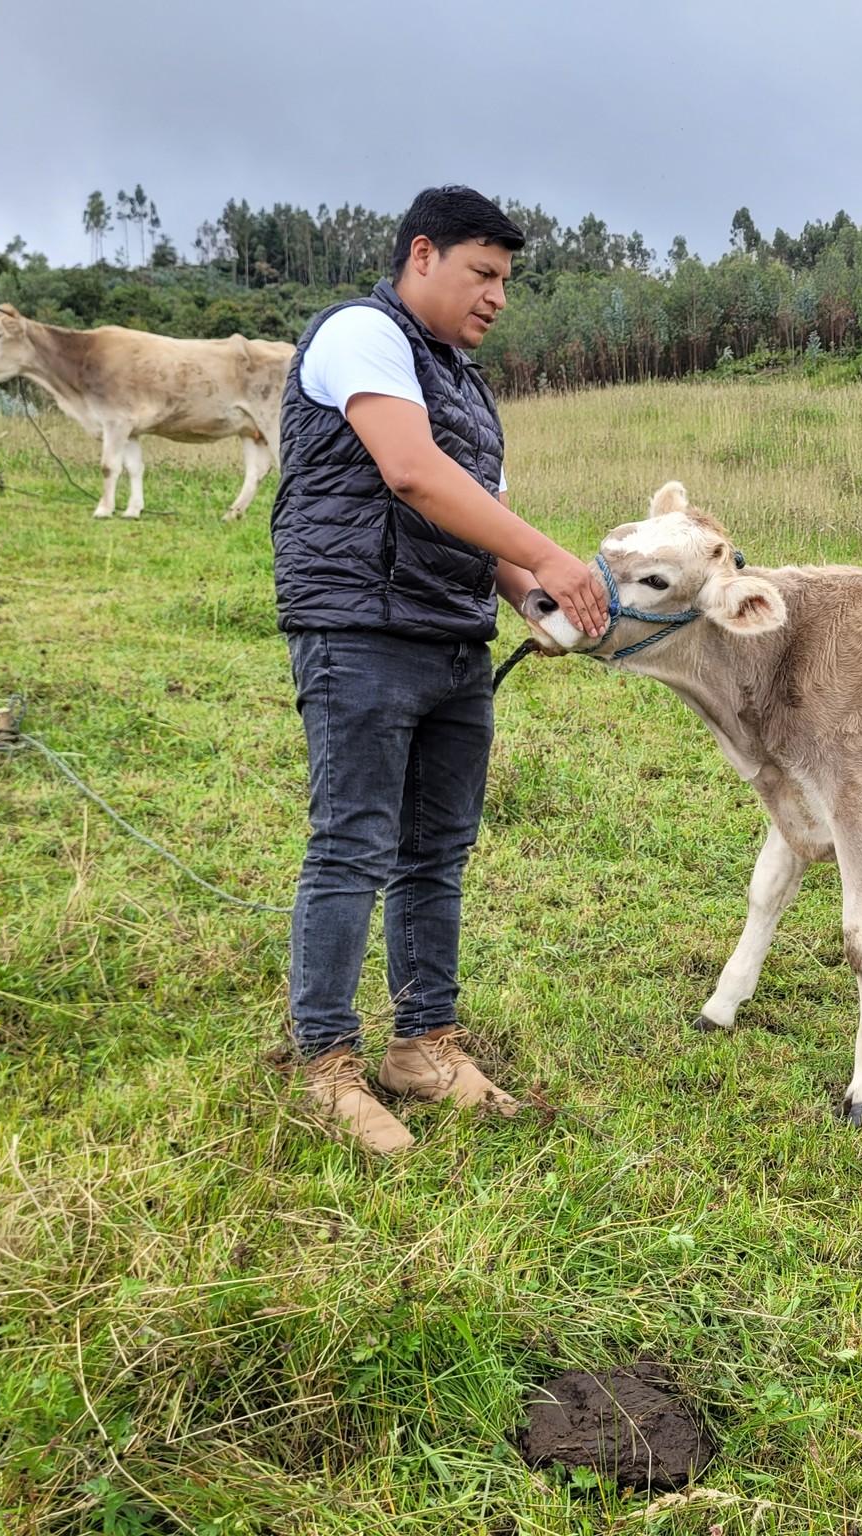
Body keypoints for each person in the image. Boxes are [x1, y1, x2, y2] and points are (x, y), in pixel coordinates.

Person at [271, 186, 607, 1155]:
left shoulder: (464, 383)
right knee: (352, 845)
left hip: (452, 639)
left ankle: (421, 1044)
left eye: (506, 281)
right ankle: (325, 1065)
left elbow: (476, 518)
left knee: (436, 850)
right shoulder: (358, 337)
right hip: (359, 628)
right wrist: (551, 555)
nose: (497, 297)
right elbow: (412, 474)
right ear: (422, 255)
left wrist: (532, 599)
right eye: (482, 273)